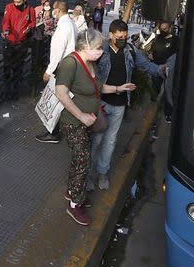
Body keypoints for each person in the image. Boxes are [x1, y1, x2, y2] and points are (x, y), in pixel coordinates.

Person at [54, 29, 136, 226]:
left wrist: (118, 88)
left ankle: (74, 191)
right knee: (83, 159)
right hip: (73, 122)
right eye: (99, 47)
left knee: (79, 158)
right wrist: (81, 115)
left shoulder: (89, 64)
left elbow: (98, 87)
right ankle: (75, 204)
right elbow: (60, 92)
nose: (101, 51)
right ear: (86, 46)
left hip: (88, 120)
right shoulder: (70, 63)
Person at [92, 19, 164, 190]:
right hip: (101, 103)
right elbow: (90, 74)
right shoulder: (100, 51)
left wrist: (161, 69)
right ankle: (88, 176)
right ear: (111, 35)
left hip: (120, 105)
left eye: (125, 36)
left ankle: (102, 173)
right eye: (119, 37)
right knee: (96, 140)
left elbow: (145, 66)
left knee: (110, 141)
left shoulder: (130, 50)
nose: (123, 39)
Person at [36, 1, 77, 144]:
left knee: (57, 100)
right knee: (61, 99)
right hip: (68, 65)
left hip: (62, 67)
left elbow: (58, 51)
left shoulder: (63, 26)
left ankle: (53, 132)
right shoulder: (69, 23)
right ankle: (55, 130)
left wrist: (49, 71)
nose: (52, 11)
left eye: (54, 9)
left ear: (59, 10)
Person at [1, 0, 36, 105]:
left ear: (24, 0)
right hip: (10, 41)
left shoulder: (30, 10)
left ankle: (15, 92)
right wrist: (6, 31)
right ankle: (6, 92)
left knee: (18, 68)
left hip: (22, 43)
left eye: (19, 2)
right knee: (7, 67)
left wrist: (29, 29)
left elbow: (33, 23)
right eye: (15, 1)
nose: (16, 4)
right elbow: (6, 22)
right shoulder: (9, 7)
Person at [147, 21, 179, 123]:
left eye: (165, 29)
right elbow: (151, 51)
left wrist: (169, 65)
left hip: (169, 69)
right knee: (155, 87)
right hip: (157, 67)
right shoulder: (157, 38)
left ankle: (168, 113)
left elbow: (177, 55)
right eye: (161, 29)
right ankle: (153, 103)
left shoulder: (175, 40)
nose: (163, 31)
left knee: (168, 91)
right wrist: (150, 55)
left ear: (170, 28)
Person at [32, 0, 55, 89]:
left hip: (48, 38)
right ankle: (35, 77)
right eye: (44, 2)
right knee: (36, 58)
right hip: (38, 37)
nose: (46, 4)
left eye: (48, 2)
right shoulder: (37, 9)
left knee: (45, 58)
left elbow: (53, 24)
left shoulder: (52, 12)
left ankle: (43, 74)